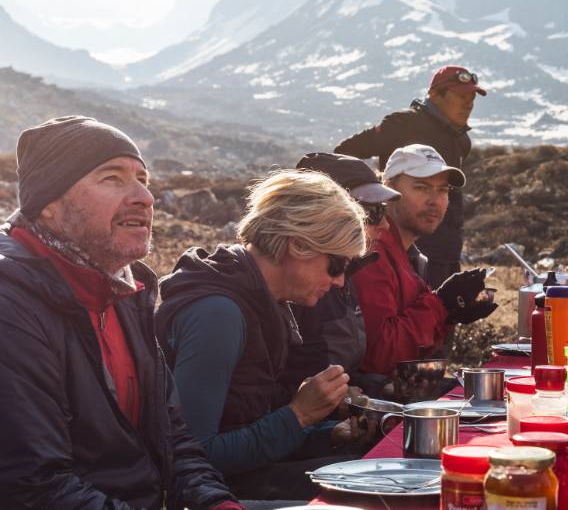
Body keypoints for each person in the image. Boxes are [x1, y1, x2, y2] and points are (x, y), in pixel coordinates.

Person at [0, 116, 239, 508]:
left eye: (142, 178)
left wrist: (216, 502)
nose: (145, 197)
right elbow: (35, 487)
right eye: (111, 178)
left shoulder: (125, 292)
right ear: (48, 205)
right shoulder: (12, 306)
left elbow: (174, 440)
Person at [156, 169, 369, 501]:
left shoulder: (263, 302)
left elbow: (246, 422)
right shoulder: (219, 314)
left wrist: (328, 434)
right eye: (337, 265)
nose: (341, 282)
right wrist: (299, 415)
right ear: (297, 244)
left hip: (243, 478)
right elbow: (192, 457)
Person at [353, 144, 497, 379]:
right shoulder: (372, 253)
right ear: (387, 191)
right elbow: (379, 354)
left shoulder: (410, 255)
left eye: (442, 190)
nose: (435, 200)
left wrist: (449, 313)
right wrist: (441, 305)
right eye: (421, 187)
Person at [335, 65, 485, 288]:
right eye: (461, 95)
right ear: (434, 95)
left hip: (446, 248)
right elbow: (344, 152)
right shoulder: (402, 124)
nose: (469, 103)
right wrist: (371, 198)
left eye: (472, 96)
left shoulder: (461, 140)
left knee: (445, 315)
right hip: (402, 246)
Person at [285, 152, 401, 395]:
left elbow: (342, 369)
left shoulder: (346, 276)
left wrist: (383, 388)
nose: (385, 225)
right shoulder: (293, 288)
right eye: (372, 213)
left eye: (383, 210)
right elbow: (283, 388)